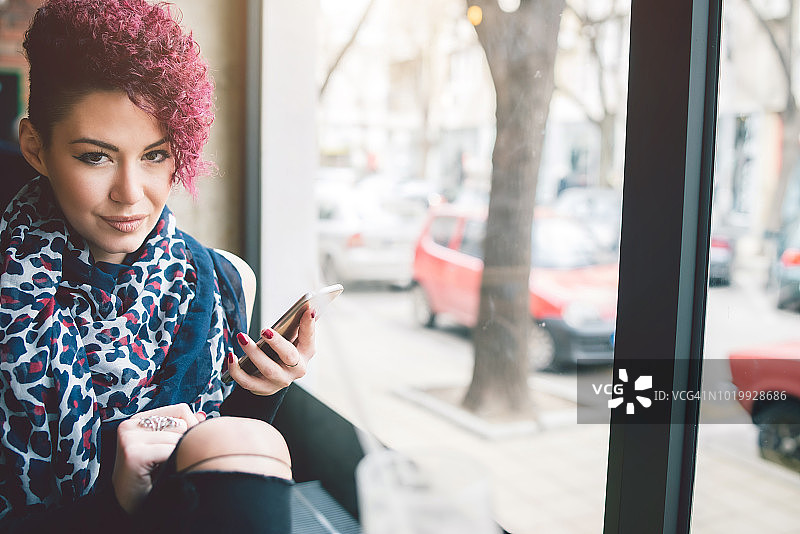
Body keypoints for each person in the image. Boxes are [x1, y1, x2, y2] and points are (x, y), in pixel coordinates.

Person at [0, 1, 316, 532]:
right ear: (37, 148)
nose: (130, 194)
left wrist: (257, 394)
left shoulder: (221, 280)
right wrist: (113, 503)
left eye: (155, 155)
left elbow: (220, 482)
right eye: (95, 157)